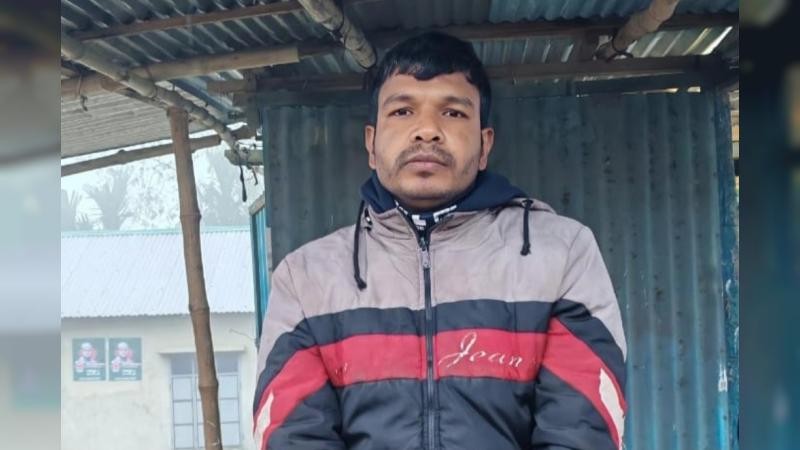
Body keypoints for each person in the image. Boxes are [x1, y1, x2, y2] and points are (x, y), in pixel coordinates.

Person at [253, 32, 627, 450]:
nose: (427, 130)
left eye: (452, 112)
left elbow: (581, 433)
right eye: (402, 111)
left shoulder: (562, 254)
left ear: (484, 145)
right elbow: (294, 437)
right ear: (371, 144)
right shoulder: (306, 279)